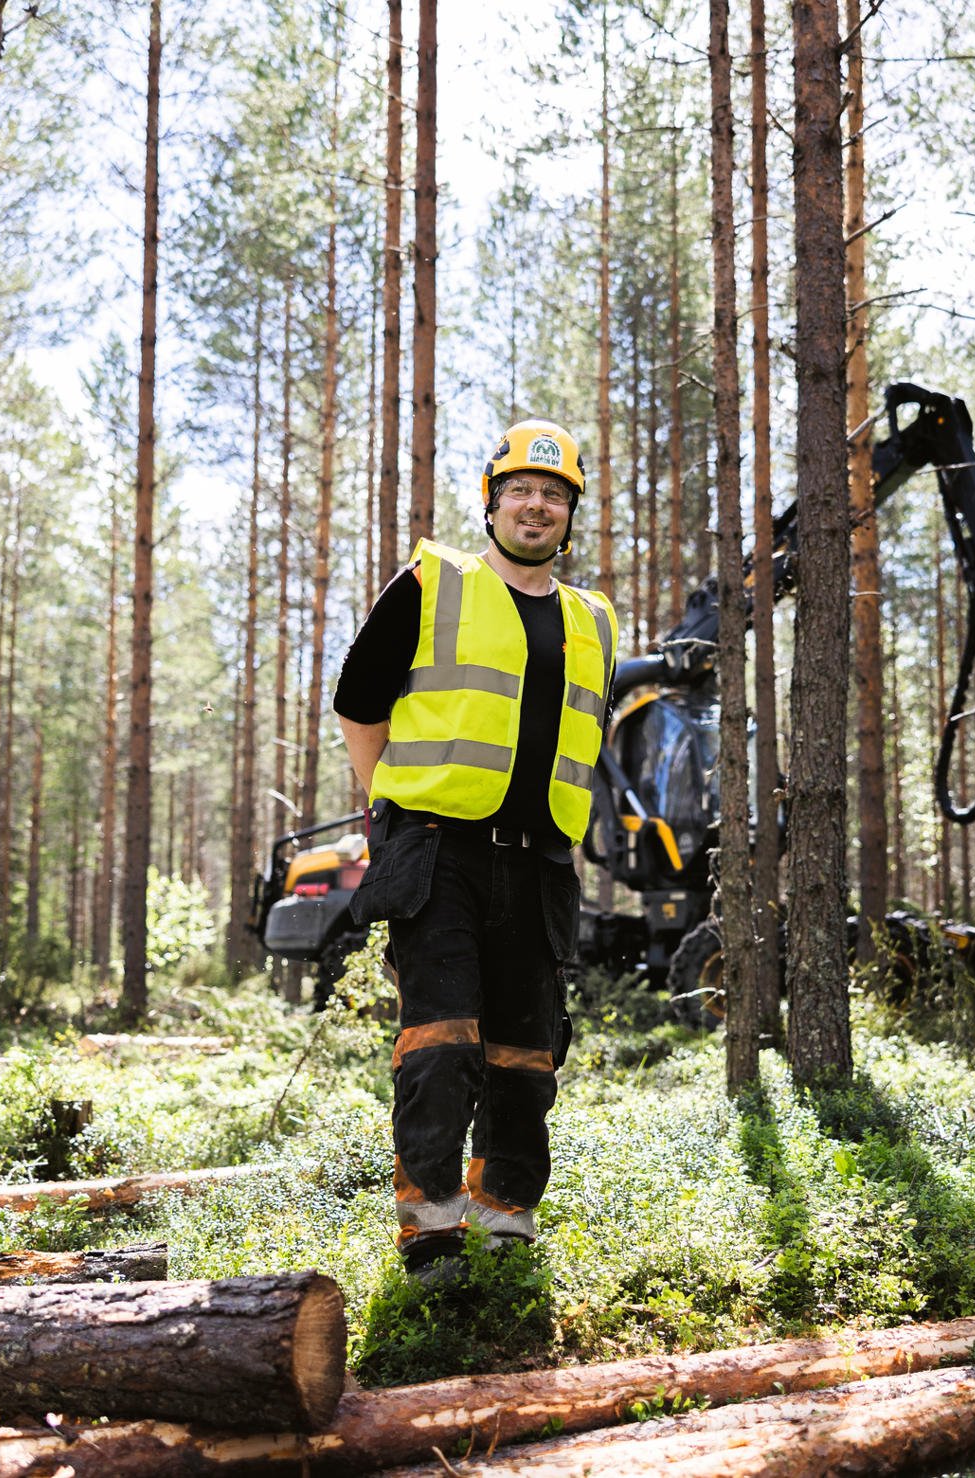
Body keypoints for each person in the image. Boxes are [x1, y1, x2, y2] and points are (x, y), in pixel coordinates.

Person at [333, 419, 618, 1283]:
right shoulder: (435, 583)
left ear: (571, 514)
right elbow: (358, 702)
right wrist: (390, 804)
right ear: (492, 501)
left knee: (528, 1057)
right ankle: (431, 1238)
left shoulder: (592, 620)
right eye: (522, 491)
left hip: (538, 865)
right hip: (437, 852)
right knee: (441, 1044)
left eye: (555, 494)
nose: (537, 506)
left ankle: (504, 1226)